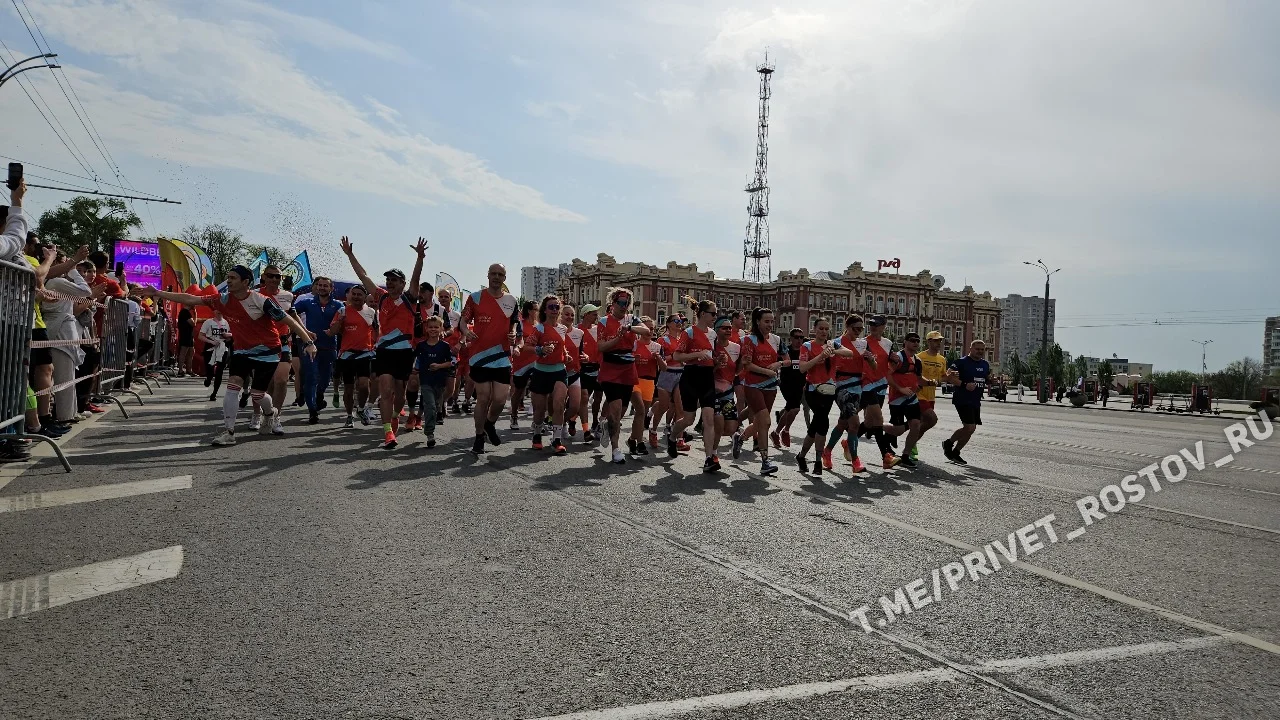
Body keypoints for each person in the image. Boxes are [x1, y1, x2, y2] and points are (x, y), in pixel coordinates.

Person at [143, 265, 316, 446]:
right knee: (233, 385)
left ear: (245, 282)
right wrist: (158, 292)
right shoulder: (223, 299)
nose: (229, 281)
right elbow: (191, 298)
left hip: (268, 351)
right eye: (229, 277)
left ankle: (270, 413)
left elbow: (289, 320)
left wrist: (309, 343)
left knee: (257, 395)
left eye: (233, 278)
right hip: (242, 351)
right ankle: (229, 432)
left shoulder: (260, 300)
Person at [341, 235, 427, 449]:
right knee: (385, 389)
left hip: (406, 352)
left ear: (402, 283)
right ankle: (388, 432)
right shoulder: (380, 297)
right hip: (385, 351)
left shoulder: (409, 297)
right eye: (388, 279)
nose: (389, 283)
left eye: (394, 280)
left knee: (400, 393)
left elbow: (416, 277)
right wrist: (350, 255)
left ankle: (397, 414)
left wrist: (420, 257)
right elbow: (363, 275)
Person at [460, 263, 519, 454]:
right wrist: (465, 332)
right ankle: (478, 437)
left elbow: (515, 326)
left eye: (500, 274)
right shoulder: (476, 297)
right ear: (487, 276)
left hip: (502, 356)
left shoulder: (511, 300)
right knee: (483, 399)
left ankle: (489, 424)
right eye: (493, 273)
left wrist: (513, 335)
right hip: (480, 356)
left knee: (501, 399)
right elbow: (463, 320)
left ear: (504, 278)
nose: (496, 277)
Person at [596, 287, 651, 464]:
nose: (624, 306)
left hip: (628, 370)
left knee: (621, 411)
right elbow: (601, 347)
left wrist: (629, 327)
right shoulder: (604, 321)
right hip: (610, 368)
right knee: (617, 407)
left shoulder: (632, 319)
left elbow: (646, 331)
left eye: (627, 303)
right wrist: (618, 338)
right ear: (613, 303)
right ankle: (615, 449)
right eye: (620, 302)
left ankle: (607, 425)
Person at [668, 298, 719, 471]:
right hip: (690, 376)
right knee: (688, 419)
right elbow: (676, 356)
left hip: (707, 377)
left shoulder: (713, 334)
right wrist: (696, 356)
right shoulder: (689, 332)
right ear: (703, 314)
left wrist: (718, 360)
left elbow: (711, 356)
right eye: (713, 313)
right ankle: (673, 436)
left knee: (708, 419)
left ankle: (709, 458)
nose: (715, 317)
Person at [735, 307, 784, 476]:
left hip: (771, 387)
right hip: (753, 385)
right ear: (758, 321)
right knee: (765, 421)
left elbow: (787, 359)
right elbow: (747, 365)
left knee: (758, 423)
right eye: (766, 321)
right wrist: (767, 371)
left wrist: (779, 364)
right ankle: (765, 461)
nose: (770, 324)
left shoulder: (776, 339)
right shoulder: (749, 340)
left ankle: (740, 438)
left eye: (772, 321)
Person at [292, 277, 341, 424]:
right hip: (310, 346)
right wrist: (305, 330)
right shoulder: (307, 302)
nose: (322, 288)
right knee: (311, 377)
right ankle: (312, 411)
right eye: (319, 285)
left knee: (325, 380)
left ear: (331, 288)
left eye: (325, 286)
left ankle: (319, 395)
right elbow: (291, 311)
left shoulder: (338, 305)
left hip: (329, 347)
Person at [328, 284, 377, 428]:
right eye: (353, 294)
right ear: (350, 296)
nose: (356, 297)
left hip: (365, 353)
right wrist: (341, 320)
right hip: (347, 355)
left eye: (359, 294)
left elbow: (376, 330)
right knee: (348, 389)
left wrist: (376, 344)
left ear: (364, 297)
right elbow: (333, 331)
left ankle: (361, 409)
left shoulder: (371, 312)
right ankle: (350, 416)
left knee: (363, 386)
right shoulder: (342, 310)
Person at [854, 315, 899, 470]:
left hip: (880, 384)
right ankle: (886, 456)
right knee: (878, 418)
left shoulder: (888, 343)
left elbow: (891, 364)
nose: (873, 327)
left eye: (877, 324)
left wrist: (894, 361)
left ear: (884, 326)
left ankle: (849, 441)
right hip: (866, 384)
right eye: (871, 324)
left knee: (869, 423)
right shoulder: (863, 343)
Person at [825, 315, 868, 474]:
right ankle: (856, 461)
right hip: (841, 386)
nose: (858, 332)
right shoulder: (836, 342)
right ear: (847, 327)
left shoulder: (863, 344)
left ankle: (827, 451)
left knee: (844, 423)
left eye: (861, 329)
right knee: (855, 423)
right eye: (855, 328)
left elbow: (873, 365)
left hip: (858, 387)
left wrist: (871, 360)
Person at [528, 295, 570, 455]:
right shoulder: (539, 328)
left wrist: (566, 355)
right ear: (545, 310)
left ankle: (557, 440)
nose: (554, 310)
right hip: (541, 371)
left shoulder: (563, 329)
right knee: (539, 409)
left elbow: (562, 346)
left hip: (559, 371)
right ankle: (537, 435)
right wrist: (540, 350)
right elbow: (527, 347)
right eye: (551, 307)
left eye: (556, 307)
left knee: (559, 405)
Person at [796, 319, 837, 474]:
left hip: (829, 390)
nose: (823, 331)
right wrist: (820, 356)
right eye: (820, 328)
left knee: (816, 425)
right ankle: (818, 461)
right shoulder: (807, 346)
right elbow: (802, 368)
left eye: (826, 329)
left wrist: (833, 351)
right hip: (813, 390)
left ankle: (801, 456)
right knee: (823, 421)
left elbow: (850, 353)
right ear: (814, 329)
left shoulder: (833, 345)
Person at [943, 339, 992, 466]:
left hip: (976, 400)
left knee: (971, 429)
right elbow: (948, 377)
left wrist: (992, 381)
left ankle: (955, 452)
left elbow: (986, 378)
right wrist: (964, 385)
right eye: (977, 349)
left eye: (982, 349)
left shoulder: (985, 364)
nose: (980, 351)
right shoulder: (961, 362)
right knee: (969, 427)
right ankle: (949, 443)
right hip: (962, 398)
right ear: (970, 349)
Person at [885, 332, 925, 468]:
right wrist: (900, 389)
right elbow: (887, 376)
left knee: (915, 425)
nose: (915, 343)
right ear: (905, 342)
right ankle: (874, 426)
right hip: (897, 399)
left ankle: (906, 455)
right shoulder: (898, 358)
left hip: (912, 398)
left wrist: (931, 382)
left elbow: (919, 378)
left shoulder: (918, 361)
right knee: (898, 431)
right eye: (912, 340)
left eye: (918, 341)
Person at [414, 315, 455, 447]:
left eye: (436, 327)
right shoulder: (421, 346)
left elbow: (450, 363)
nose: (433, 330)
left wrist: (438, 366)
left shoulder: (444, 346)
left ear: (441, 328)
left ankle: (430, 417)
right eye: (430, 327)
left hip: (440, 382)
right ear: (426, 329)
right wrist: (415, 369)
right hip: (425, 381)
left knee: (436, 405)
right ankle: (430, 433)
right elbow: (416, 361)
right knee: (430, 406)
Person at [650, 314, 689, 452]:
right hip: (667, 374)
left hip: (680, 374)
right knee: (664, 406)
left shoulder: (683, 338)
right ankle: (653, 431)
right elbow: (660, 360)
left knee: (680, 408)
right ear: (668, 324)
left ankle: (679, 439)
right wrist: (673, 356)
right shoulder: (663, 340)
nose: (679, 323)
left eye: (680, 321)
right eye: (676, 321)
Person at [627, 316, 662, 455]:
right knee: (641, 410)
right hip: (635, 380)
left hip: (650, 382)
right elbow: (625, 360)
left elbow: (663, 368)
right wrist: (632, 359)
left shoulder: (657, 346)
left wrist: (659, 359)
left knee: (640, 414)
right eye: (646, 328)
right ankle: (640, 443)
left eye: (652, 329)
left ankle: (632, 439)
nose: (649, 331)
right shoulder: (634, 344)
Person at [912, 331, 948, 462]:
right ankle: (910, 444)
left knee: (922, 423)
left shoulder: (942, 359)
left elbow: (942, 377)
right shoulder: (919, 357)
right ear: (929, 342)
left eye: (939, 341)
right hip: (918, 394)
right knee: (932, 419)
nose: (938, 343)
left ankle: (912, 444)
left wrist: (950, 377)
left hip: (931, 396)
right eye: (935, 340)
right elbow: (913, 375)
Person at [772, 328, 807, 451]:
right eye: (796, 337)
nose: (799, 340)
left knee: (789, 410)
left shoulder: (805, 351)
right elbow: (775, 364)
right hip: (786, 384)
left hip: (800, 385)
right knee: (795, 408)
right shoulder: (786, 351)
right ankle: (785, 431)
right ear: (791, 338)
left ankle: (775, 433)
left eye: (801, 337)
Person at [509, 300, 538, 429]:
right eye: (535, 309)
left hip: (536, 362)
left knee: (537, 391)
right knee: (519, 391)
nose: (537, 312)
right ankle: (514, 416)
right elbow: (515, 341)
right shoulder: (520, 324)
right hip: (521, 363)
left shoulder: (539, 326)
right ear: (529, 311)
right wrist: (517, 348)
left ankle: (536, 420)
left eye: (538, 309)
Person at [576, 304, 603, 441]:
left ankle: (595, 422)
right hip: (582, 368)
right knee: (584, 397)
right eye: (593, 313)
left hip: (598, 368)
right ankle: (574, 421)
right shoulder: (577, 330)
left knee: (598, 397)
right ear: (586, 314)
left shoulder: (598, 330)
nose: (596, 316)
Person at [558, 303, 584, 441]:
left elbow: (581, 352)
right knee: (559, 404)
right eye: (566, 314)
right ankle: (558, 428)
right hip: (558, 373)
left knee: (574, 406)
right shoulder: (556, 330)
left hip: (574, 373)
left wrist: (585, 357)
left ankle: (562, 423)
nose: (570, 317)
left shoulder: (579, 333)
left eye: (572, 315)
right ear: (560, 316)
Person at [200, 310, 232, 401]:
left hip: (222, 348)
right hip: (210, 347)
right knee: (209, 369)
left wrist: (227, 335)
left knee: (219, 371)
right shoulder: (208, 322)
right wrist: (211, 342)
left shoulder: (226, 322)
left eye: (221, 310)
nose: (219, 312)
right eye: (217, 310)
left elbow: (231, 336)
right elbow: (200, 336)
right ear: (214, 312)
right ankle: (209, 378)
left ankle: (214, 393)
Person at [176, 305, 196, 376]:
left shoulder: (187, 312)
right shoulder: (184, 312)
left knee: (191, 352)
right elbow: (193, 323)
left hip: (189, 335)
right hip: (185, 334)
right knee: (183, 352)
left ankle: (189, 369)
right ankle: (180, 370)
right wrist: (195, 314)